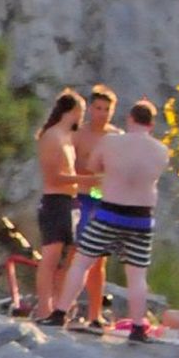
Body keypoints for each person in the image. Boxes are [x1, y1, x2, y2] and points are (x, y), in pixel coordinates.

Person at [49, 100, 170, 342]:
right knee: (137, 275)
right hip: (141, 218)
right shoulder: (161, 150)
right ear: (152, 124)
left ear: (130, 119)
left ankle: (60, 312)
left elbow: (94, 167)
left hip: (109, 212)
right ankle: (138, 328)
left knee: (82, 262)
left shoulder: (112, 141)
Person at [64, 85, 121, 331]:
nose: (102, 113)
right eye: (98, 108)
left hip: (104, 200)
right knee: (75, 254)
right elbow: (67, 167)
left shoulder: (116, 137)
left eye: (107, 109)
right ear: (91, 110)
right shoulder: (79, 134)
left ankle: (95, 314)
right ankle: (64, 307)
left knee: (99, 261)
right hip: (81, 198)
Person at [32, 90, 87, 318]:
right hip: (54, 201)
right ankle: (44, 308)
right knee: (51, 257)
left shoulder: (68, 138)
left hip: (70, 202)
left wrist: (95, 189)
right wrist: (92, 180)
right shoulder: (51, 136)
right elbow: (55, 177)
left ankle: (58, 304)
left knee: (69, 258)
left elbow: (73, 178)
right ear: (74, 112)